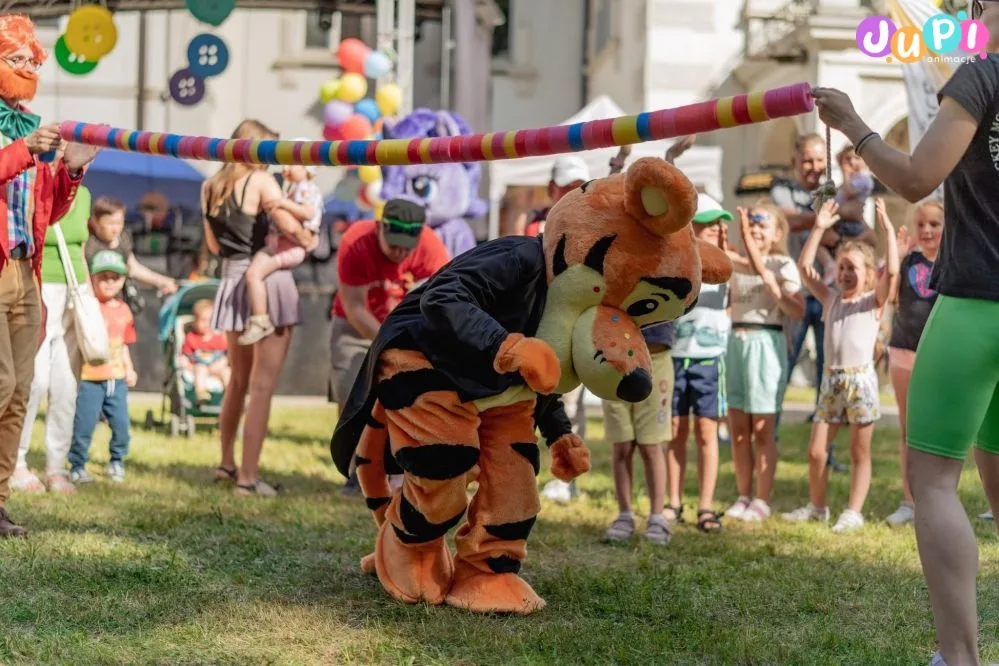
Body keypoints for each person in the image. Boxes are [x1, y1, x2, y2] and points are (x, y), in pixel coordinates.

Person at [812, 4, 999, 660]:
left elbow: (918, 176)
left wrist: (852, 125)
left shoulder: (981, 75)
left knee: (933, 482)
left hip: (978, 302)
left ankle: (958, 656)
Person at [0, 14, 99, 538]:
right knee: (1, 384)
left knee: (22, 390)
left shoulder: (29, 127)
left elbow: (51, 210)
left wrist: (73, 170)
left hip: (25, 269)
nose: (28, 69)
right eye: (17, 59)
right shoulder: (22, 137)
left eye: (33, 61)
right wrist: (23, 152)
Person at [202, 119, 313, 498]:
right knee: (261, 387)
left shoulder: (209, 186)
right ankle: (248, 479)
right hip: (267, 280)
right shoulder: (262, 182)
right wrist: (306, 235)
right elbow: (290, 227)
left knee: (237, 381)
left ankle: (226, 464)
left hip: (231, 282)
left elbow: (214, 248)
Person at [782, 198, 899, 533]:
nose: (846, 273)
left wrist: (887, 230)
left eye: (853, 269)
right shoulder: (831, 297)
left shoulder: (872, 302)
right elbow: (805, 269)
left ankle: (854, 511)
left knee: (858, 451)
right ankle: (818, 507)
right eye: (842, 267)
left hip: (860, 383)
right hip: (831, 383)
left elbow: (891, 271)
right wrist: (818, 228)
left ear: (867, 275)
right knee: (817, 451)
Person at [329, 198, 450, 496]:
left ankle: (401, 468)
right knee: (350, 392)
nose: (399, 253)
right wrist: (386, 339)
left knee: (407, 398)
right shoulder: (355, 241)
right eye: (393, 244)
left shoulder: (432, 249)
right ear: (380, 227)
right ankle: (356, 468)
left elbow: (443, 302)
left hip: (407, 329)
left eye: (406, 247)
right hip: (355, 326)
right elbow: (354, 307)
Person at [723, 201, 805, 522]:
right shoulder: (735, 264)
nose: (754, 229)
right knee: (738, 428)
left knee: (762, 429)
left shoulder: (782, 264)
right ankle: (743, 495)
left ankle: (762, 498)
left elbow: (797, 310)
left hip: (766, 345)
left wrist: (776, 290)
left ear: (777, 233)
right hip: (736, 343)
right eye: (751, 224)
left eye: (762, 225)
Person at [12, 185, 91, 495]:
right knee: (35, 382)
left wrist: (88, 299)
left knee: (67, 386)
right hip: (40, 290)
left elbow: (81, 251)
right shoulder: (35, 185)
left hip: (73, 296)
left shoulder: (83, 194)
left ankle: (56, 466)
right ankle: (17, 461)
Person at [667, 194, 732, 534]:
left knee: (707, 433)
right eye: (709, 224)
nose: (718, 230)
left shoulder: (728, 265)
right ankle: (673, 501)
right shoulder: (677, 262)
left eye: (720, 224)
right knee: (675, 432)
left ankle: (706, 506)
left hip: (709, 361)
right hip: (676, 357)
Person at [885, 199, 943, 527]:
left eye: (934, 224)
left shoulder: (955, 263)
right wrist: (894, 256)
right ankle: (909, 501)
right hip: (903, 353)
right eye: (921, 224)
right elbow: (888, 294)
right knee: (908, 430)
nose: (926, 230)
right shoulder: (908, 260)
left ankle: (936, 499)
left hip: (938, 356)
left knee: (938, 431)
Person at [602, 322, 676, 546]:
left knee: (651, 446)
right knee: (622, 446)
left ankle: (657, 516)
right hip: (614, 363)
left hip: (656, 360)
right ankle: (625, 515)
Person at [67, 250, 137, 485]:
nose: (109, 282)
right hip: (89, 378)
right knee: (84, 424)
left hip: (116, 380)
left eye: (114, 277)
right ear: (93, 278)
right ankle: (77, 465)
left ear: (123, 280)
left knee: (121, 425)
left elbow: (124, 344)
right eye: (103, 276)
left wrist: (129, 368)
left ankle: (117, 461)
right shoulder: (88, 307)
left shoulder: (125, 311)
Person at [238, 157, 323, 345]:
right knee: (253, 273)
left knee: (254, 274)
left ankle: (260, 320)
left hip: (291, 246)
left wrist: (282, 203)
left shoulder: (305, 187)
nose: (285, 168)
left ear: (305, 168)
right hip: (281, 244)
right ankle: (259, 318)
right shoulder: (292, 187)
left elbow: (307, 213)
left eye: (291, 164)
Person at [84, 196, 178, 298]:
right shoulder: (88, 244)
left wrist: (162, 281)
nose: (115, 229)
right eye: (110, 223)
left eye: (119, 223)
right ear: (95, 221)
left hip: (117, 301)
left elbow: (133, 268)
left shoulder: (123, 239)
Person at [180, 298, 230, 402]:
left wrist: (220, 364)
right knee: (200, 368)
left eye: (210, 321)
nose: (207, 324)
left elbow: (226, 356)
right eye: (203, 320)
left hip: (216, 367)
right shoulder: (191, 338)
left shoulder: (218, 338)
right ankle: (201, 393)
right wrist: (189, 366)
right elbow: (185, 356)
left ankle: (230, 395)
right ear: (195, 321)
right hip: (199, 368)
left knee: (227, 371)